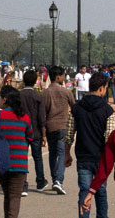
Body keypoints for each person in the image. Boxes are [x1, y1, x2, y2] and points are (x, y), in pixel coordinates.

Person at [65, 72, 114, 218]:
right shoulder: (107, 110)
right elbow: (109, 137)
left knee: (85, 190)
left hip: (83, 156)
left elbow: (69, 134)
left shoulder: (76, 108)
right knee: (101, 191)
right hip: (101, 157)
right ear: (101, 88)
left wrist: (67, 154)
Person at [0, 85, 34, 218]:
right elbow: (30, 136)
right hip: (19, 164)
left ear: (5, 99)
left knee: (8, 196)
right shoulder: (24, 117)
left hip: (1, 163)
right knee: (14, 198)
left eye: (0, 98)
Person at [43, 65, 75, 195]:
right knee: (62, 153)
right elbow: (74, 108)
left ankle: (54, 178)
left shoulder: (45, 93)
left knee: (52, 153)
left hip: (50, 126)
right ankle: (59, 180)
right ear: (58, 77)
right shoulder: (66, 92)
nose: (63, 77)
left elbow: (43, 112)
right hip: (63, 126)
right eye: (62, 75)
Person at [19, 70, 48, 193]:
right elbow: (42, 118)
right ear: (35, 81)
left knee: (22, 158)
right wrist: (44, 135)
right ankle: (40, 181)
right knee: (37, 157)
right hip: (35, 130)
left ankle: (23, 185)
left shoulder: (19, 96)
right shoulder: (38, 96)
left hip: (21, 131)